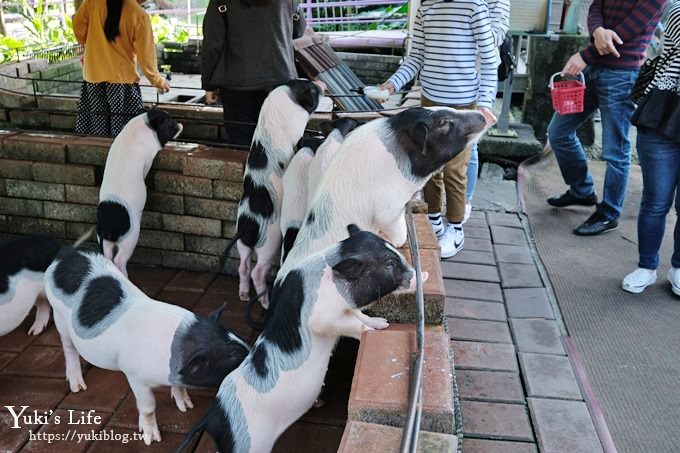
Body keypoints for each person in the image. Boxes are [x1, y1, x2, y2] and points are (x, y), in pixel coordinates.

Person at [380, 0, 497, 259]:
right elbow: (416, 58)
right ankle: (433, 220)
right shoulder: (427, 7)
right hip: (430, 104)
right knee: (429, 167)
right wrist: (392, 85)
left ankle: (455, 228)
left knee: (455, 170)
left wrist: (485, 102)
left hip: (463, 105)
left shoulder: (474, 6)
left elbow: (491, 60)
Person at [546, 0, 666, 236]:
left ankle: (609, 213)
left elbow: (627, 31)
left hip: (623, 74)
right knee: (558, 131)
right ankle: (582, 191)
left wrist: (586, 55)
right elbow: (595, 7)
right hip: (592, 69)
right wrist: (598, 30)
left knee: (615, 149)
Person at [622, 2, 680, 294]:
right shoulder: (678, 8)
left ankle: (678, 268)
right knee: (656, 200)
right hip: (664, 113)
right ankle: (646, 267)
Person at [201, 0, 305, 148]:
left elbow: (212, 44)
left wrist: (209, 84)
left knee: (241, 145)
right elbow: (298, 30)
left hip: (236, 83)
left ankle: (243, 170)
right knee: (277, 145)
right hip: (280, 81)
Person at [73, 0, 170, 137]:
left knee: (97, 130)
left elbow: (78, 26)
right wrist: (159, 81)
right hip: (122, 82)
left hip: (93, 77)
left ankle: (101, 156)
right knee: (124, 134)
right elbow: (147, 57)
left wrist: (89, 40)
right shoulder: (138, 14)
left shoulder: (93, 2)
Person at [465, 0, 511, 222]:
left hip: (479, 78)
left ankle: (465, 201)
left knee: (470, 143)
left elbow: (497, 36)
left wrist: (467, 22)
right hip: (452, 77)